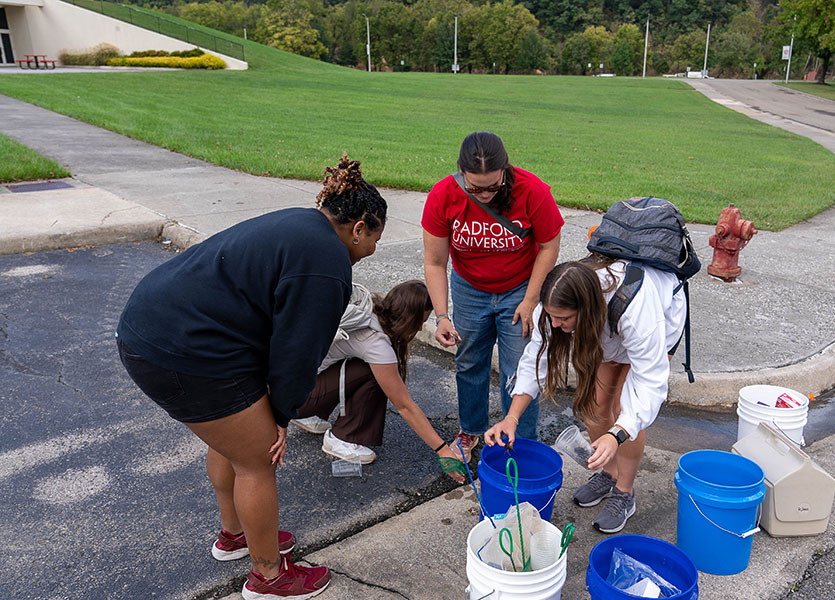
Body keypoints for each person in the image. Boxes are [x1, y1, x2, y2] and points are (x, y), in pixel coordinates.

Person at [116, 154, 387, 600]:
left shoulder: (300, 224)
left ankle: (236, 535)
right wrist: (280, 415)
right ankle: (268, 577)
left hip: (154, 327)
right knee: (257, 458)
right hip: (184, 350)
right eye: (374, 238)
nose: (373, 249)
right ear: (359, 227)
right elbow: (297, 352)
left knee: (229, 441)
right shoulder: (327, 261)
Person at [484, 257, 687, 534]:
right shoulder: (556, 303)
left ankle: (624, 493)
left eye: (564, 319)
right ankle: (609, 474)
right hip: (605, 328)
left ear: (587, 308)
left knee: (623, 408)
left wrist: (616, 434)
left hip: (658, 320)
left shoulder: (637, 311)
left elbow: (649, 384)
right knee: (593, 406)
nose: (555, 325)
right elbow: (536, 359)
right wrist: (511, 417)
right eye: (552, 317)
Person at [422, 131, 563, 459]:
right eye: (475, 187)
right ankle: (471, 431)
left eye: (493, 186)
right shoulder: (444, 195)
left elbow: (548, 246)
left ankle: (520, 441)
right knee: (469, 361)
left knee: (520, 369)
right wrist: (442, 315)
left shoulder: (532, 191)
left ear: (505, 170)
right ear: (461, 173)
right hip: (469, 289)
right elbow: (434, 261)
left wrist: (531, 300)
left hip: (519, 290)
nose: (484, 194)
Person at [292, 280, 466, 481]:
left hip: (289, 386)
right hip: (296, 398)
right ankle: (341, 438)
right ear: (407, 317)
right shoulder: (375, 342)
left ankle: (306, 413)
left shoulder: (372, 308)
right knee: (376, 373)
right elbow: (405, 406)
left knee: (371, 367)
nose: (419, 329)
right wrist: (443, 450)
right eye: (419, 321)